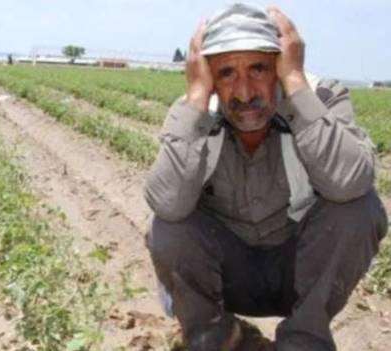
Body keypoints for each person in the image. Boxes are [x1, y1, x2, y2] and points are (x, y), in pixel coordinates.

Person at [143, 3, 388, 350]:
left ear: (282, 64)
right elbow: (167, 204)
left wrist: (295, 85)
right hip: (229, 277)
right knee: (168, 225)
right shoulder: (194, 113)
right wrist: (197, 96)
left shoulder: (320, 99)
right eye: (226, 73)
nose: (244, 92)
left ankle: (304, 339)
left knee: (358, 209)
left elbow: (349, 182)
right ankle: (212, 336)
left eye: (259, 68)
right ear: (209, 76)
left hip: (299, 272)